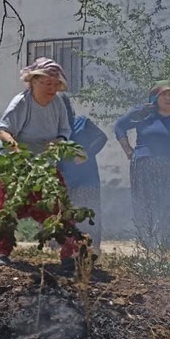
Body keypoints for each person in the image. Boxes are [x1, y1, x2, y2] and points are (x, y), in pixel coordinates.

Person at [0, 58, 77, 268]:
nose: (51, 88)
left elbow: (64, 131)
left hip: (43, 162)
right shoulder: (22, 102)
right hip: (11, 161)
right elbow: (3, 130)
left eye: (55, 84)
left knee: (58, 204)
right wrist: (17, 151)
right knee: (9, 207)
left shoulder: (57, 103)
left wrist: (58, 142)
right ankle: (0, 252)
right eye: (47, 83)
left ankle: (70, 255)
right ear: (33, 82)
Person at [115, 80, 170, 250]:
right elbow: (119, 126)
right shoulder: (143, 113)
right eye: (164, 94)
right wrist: (127, 149)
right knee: (149, 203)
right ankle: (150, 243)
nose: (168, 98)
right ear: (155, 97)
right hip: (147, 165)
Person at [58, 94, 106, 253]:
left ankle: (90, 253)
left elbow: (101, 137)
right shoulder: (54, 132)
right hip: (66, 182)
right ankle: (71, 252)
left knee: (89, 217)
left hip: (87, 181)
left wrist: (87, 152)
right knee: (69, 219)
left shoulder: (82, 123)